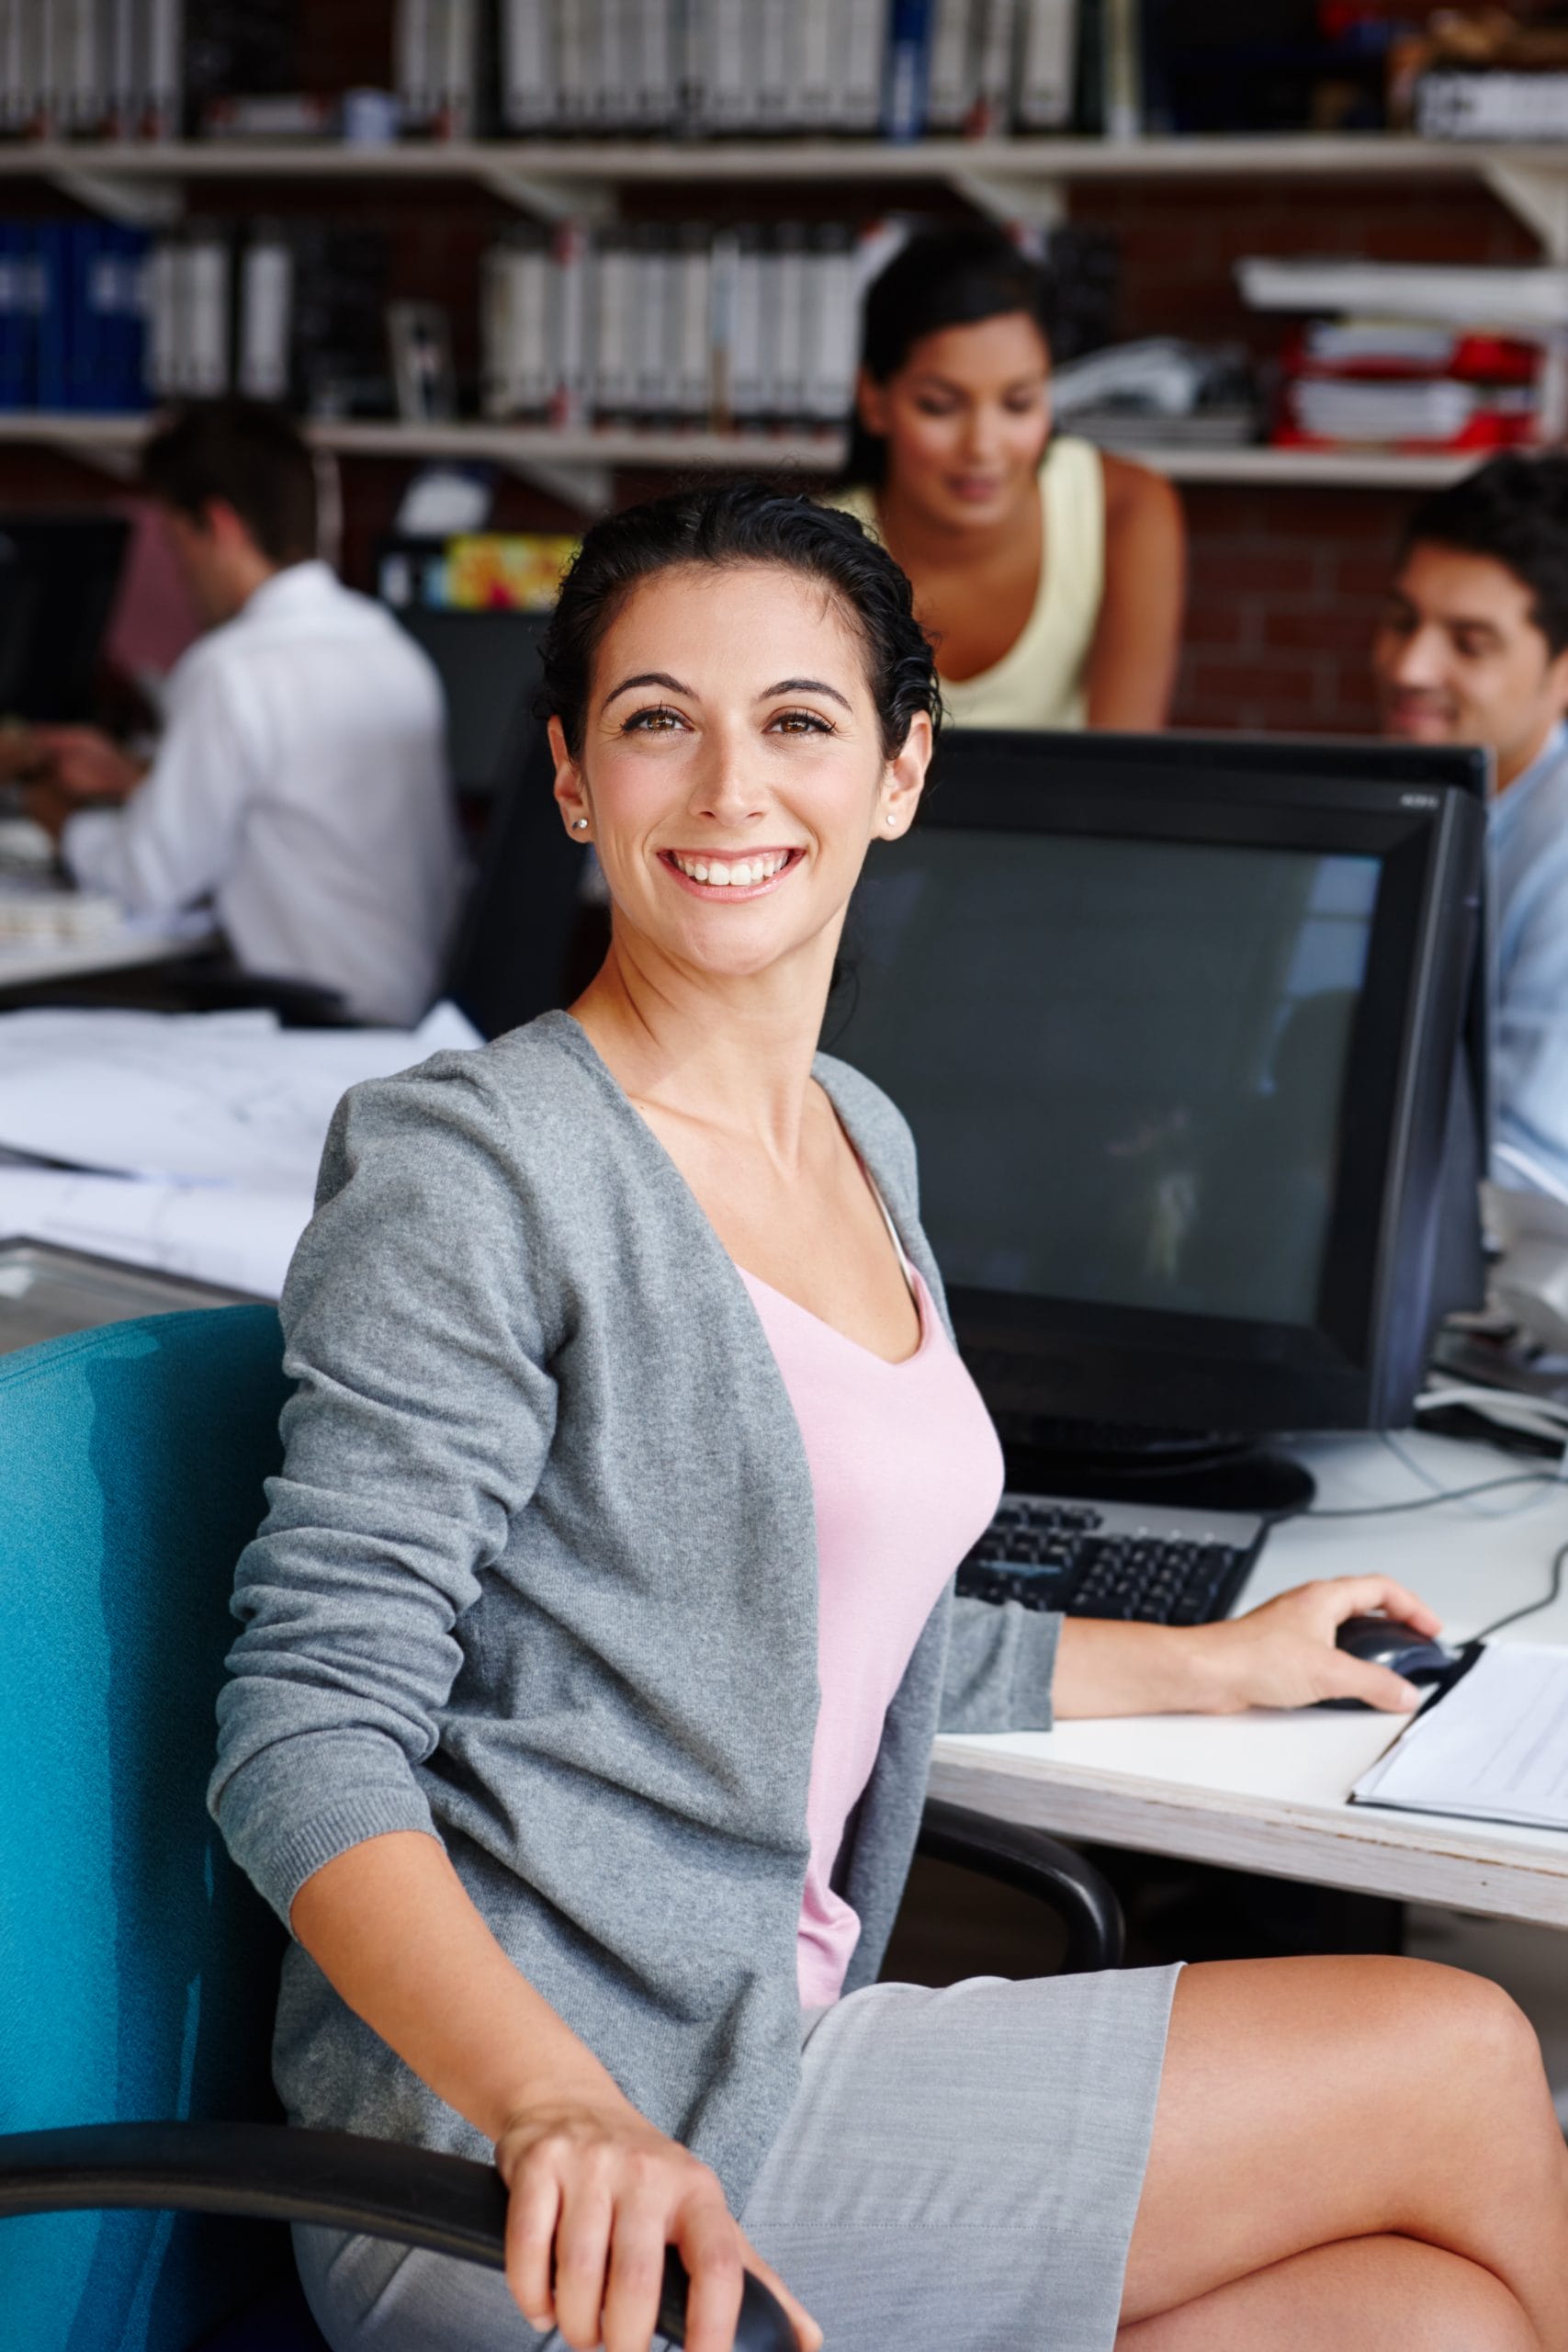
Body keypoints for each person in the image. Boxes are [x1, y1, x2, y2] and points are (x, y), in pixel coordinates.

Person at [209, 482, 1568, 2352]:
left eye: (797, 721)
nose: (727, 787)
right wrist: (550, 2102)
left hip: (766, 2041)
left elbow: (817, 1617)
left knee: (1422, 2320)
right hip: (535, 2153)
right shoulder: (475, 1167)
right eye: (656, 719)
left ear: (902, 769)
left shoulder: (859, 1131)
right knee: (1458, 2050)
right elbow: (306, 1723)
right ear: (574, 777)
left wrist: (1218, 1661)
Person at [17, 399, 463, 1027]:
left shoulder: (233, 666)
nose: (180, 577)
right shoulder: (387, 645)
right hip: (410, 1013)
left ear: (219, 525)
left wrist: (57, 819)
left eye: (178, 547)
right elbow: (299, 806)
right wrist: (137, 781)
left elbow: (148, 880)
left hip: (320, 1022)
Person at [824, 224, 1185, 731]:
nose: (983, 447)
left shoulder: (1125, 509)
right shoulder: (812, 554)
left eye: (1018, 404)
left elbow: (1123, 778)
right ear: (874, 399)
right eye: (940, 406)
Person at [1374, 451, 1568, 1198]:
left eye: (1468, 643)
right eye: (1400, 622)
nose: (1409, 668)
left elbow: (1530, 1176)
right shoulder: (1427, 794)